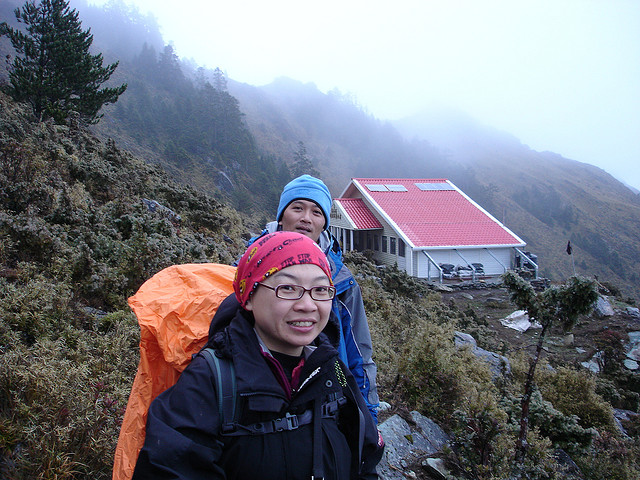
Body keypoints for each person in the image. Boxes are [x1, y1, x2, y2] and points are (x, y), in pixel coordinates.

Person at [132, 231, 384, 479]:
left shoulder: (333, 370)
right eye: (287, 288)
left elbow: (365, 459)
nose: (307, 305)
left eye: (320, 290)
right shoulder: (210, 381)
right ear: (249, 296)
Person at [241, 174, 380, 422]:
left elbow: (359, 353)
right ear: (282, 216)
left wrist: (367, 415)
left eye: (317, 212)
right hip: (257, 399)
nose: (306, 218)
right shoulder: (250, 266)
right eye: (297, 208)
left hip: (328, 400)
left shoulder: (341, 281)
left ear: (324, 224)